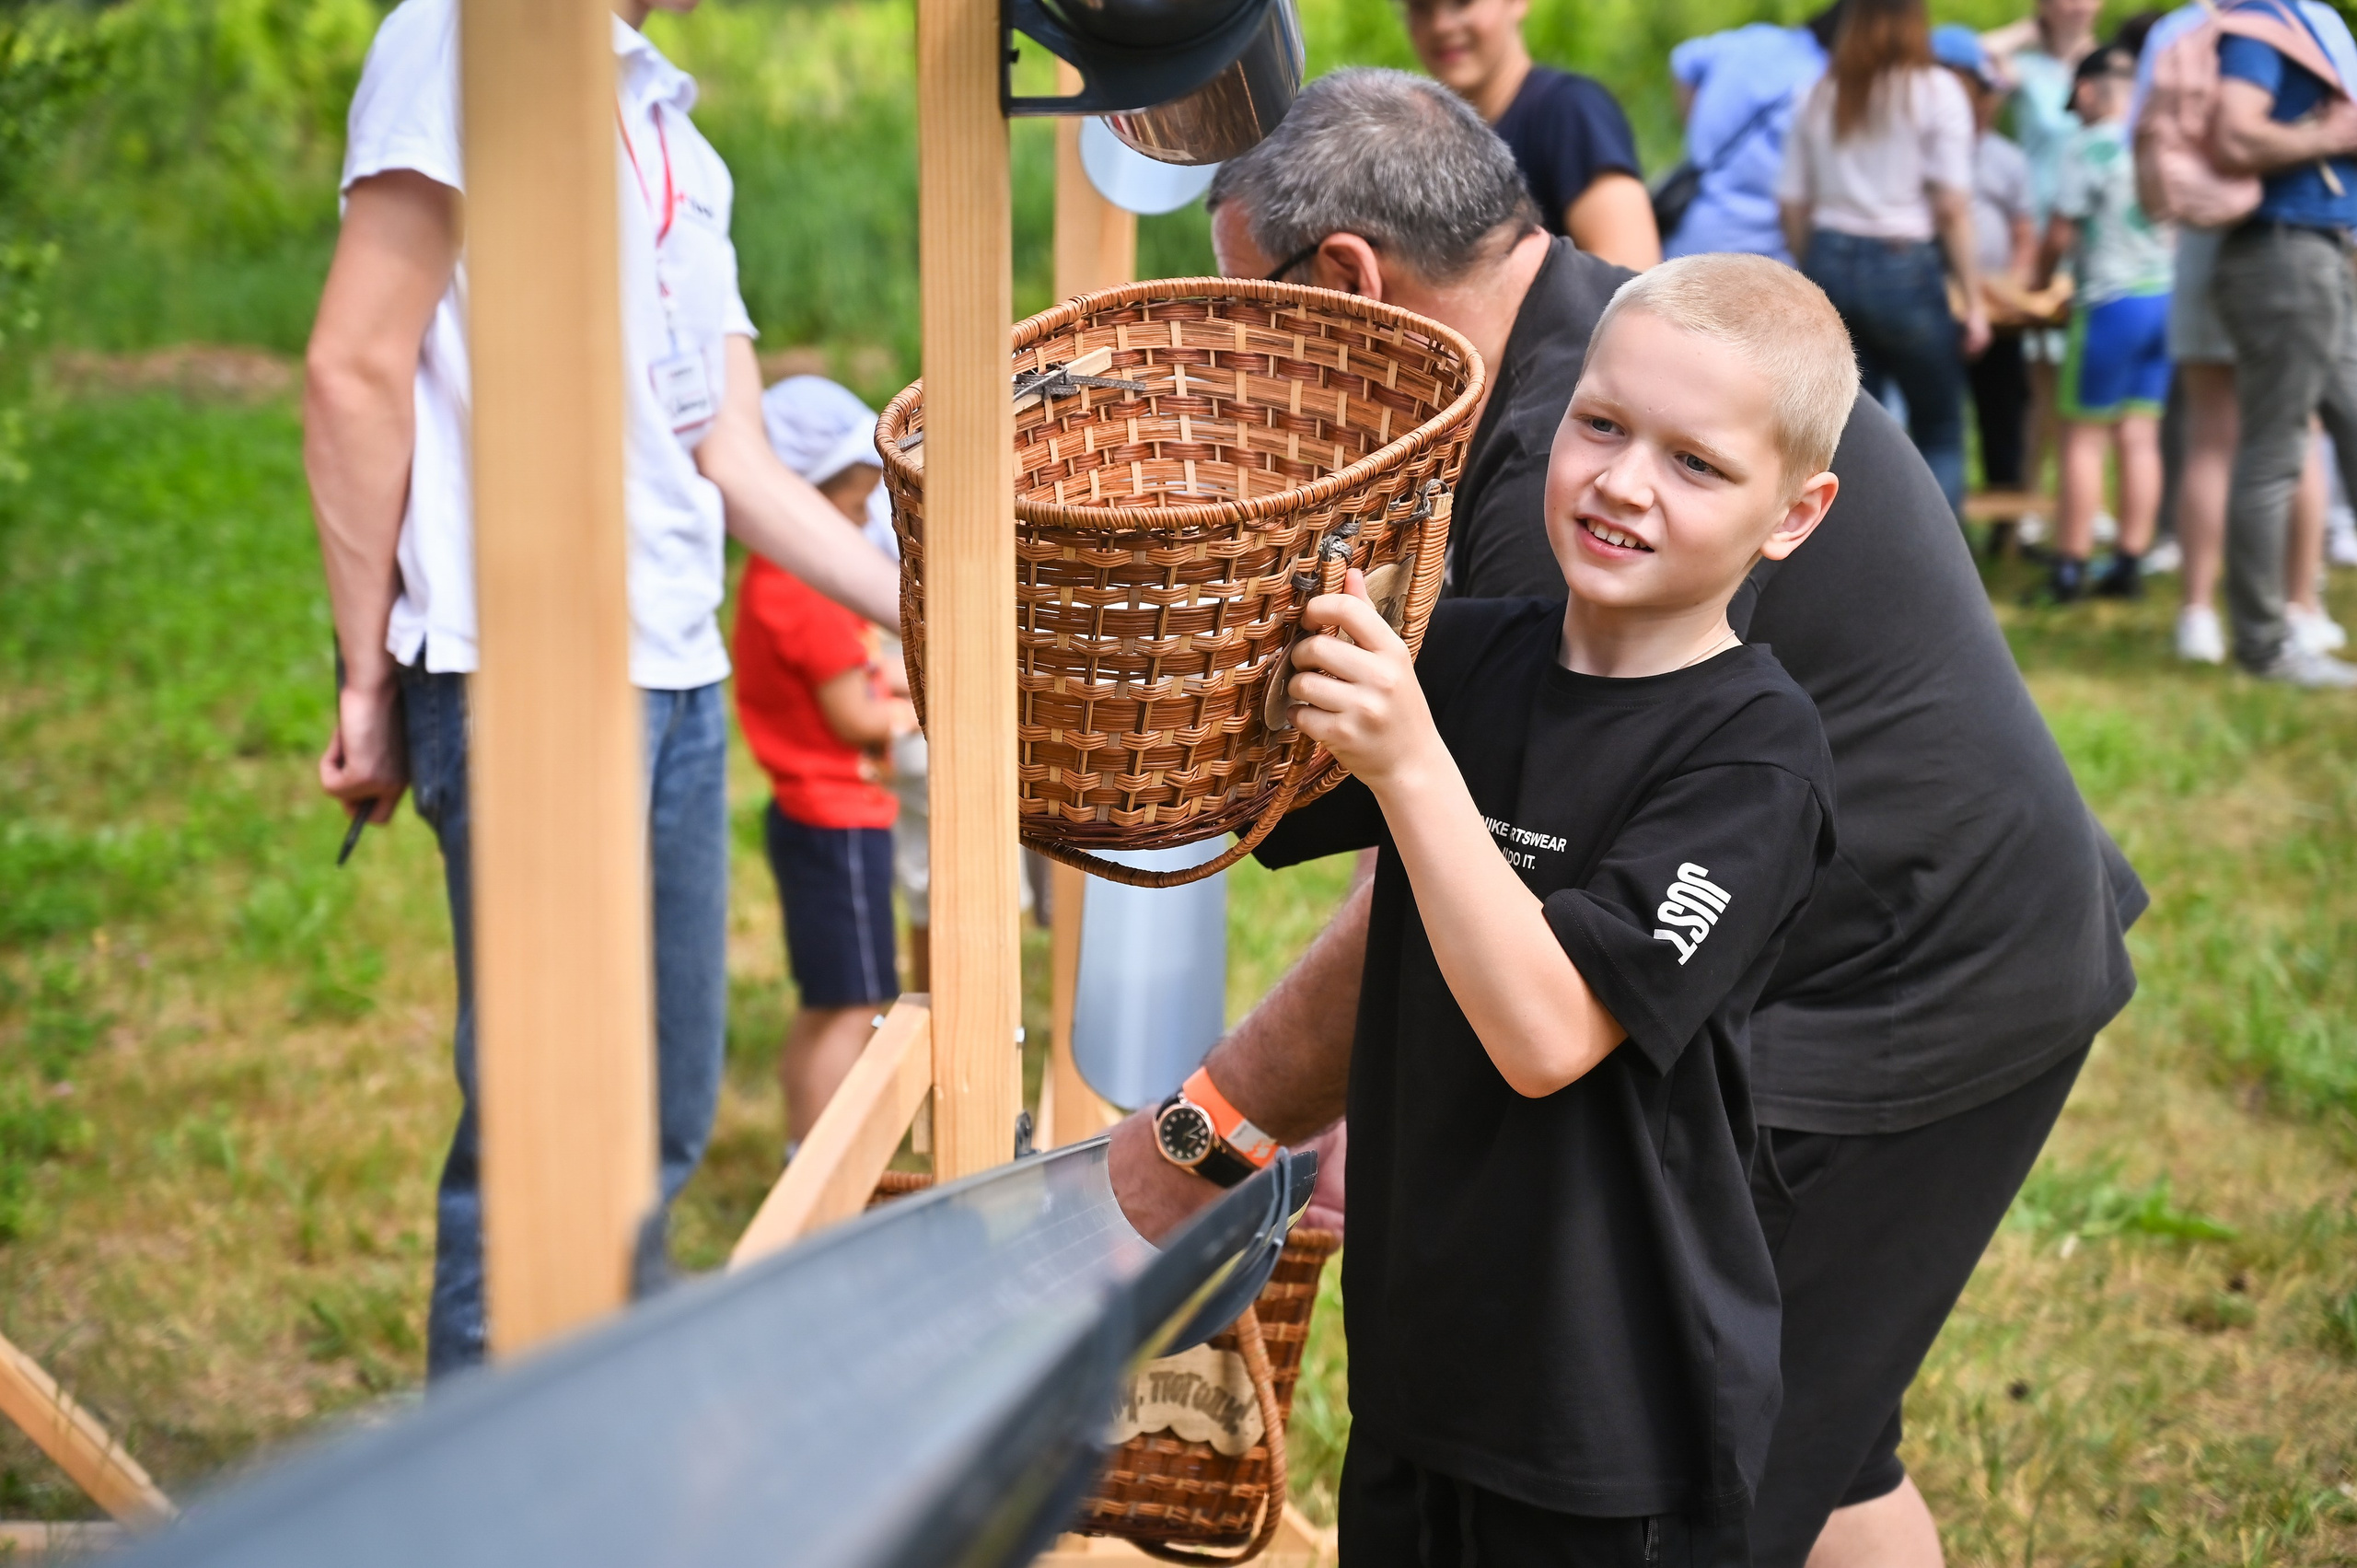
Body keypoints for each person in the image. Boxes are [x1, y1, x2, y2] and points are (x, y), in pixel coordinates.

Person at [1137, 68, 2142, 1568]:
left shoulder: (1577, 492)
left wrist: (1204, 1134)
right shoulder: (1606, 349)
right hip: (1825, 950)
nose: (1630, 472)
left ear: (1342, 278)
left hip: (1897, 982)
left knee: (1711, 1454)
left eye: (1257, 314)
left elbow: (1478, 889)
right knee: (1822, 1429)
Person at [1217, 250, 1850, 1562]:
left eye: (1698, 462)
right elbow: (1235, 780)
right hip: (1415, 1364)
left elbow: (1549, 1030)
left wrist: (1411, 763)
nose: (1623, 480)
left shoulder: (1756, 760)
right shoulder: (1468, 652)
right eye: (1602, 424)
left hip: (1604, 1418)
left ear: (1794, 513)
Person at [306, 0, 903, 1376]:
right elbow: (354, 368)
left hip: (676, 670)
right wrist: (365, 675)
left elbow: (738, 459)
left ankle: (602, 1462)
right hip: (522, 665)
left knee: (660, 1116)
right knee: (541, 1138)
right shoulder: (456, 37)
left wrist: (936, 616)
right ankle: (491, 1501)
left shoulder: (673, 127)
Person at [2132, 0, 2347, 661]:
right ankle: (2294, 610)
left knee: (2214, 435)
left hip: (2204, 243)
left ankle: (2198, 614)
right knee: (2289, 434)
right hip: (2279, 239)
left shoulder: (2178, 27)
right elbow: (2252, 134)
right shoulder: (2292, 22)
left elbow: (2144, 146)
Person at [738, 377, 919, 1156]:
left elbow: (864, 679)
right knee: (855, 1002)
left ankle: (799, 1147)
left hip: (821, 816)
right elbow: (857, 715)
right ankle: (823, 1161)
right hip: (835, 818)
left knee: (828, 999)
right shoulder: (803, 592)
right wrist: (928, 710)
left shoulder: (774, 582)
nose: (857, 523)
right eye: (848, 509)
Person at [1779, 0, 1989, 512]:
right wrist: (1975, 301)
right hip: (1904, 263)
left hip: (1829, 255)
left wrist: (1819, 265)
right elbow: (1952, 207)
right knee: (1937, 424)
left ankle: (1854, 558)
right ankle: (1936, 574)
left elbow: (1791, 202)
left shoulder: (1820, 93)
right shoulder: (1937, 91)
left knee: (1848, 430)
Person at [2207, 0, 2357, 683]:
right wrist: (2332, 137)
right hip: (2284, 254)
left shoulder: (2304, 21)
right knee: (2275, 449)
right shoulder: (2261, 27)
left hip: (2316, 251)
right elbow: (2236, 136)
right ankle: (2265, 646)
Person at [2036, 41, 2173, 602]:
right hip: (2163, 297)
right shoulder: (2154, 140)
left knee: (2082, 439)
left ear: (2087, 91)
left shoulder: (2086, 145)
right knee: (2140, 436)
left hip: (2109, 301)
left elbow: (2061, 233)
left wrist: (2041, 282)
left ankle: (2069, 565)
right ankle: (2129, 562)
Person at [1399, 0, 1660, 269]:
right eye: (1420, 7)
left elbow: (1633, 274)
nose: (1440, 25)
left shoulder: (1571, 111)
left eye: (1463, 3)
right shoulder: (1420, 141)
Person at [1938, 24, 2041, 539]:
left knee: (2004, 411)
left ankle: (2009, 528)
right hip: (1937, 308)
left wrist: (2017, 284)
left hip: (1998, 312)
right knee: (1934, 418)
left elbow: (2026, 231)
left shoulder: (2006, 157)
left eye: (1988, 94)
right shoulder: (1926, 147)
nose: (1985, 104)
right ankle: (1936, 528)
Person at [1664, 4, 1843, 264]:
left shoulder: (1758, 40)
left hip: (1689, 238)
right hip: (1765, 257)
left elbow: (1683, 60)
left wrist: (1700, 138)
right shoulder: (1826, 82)